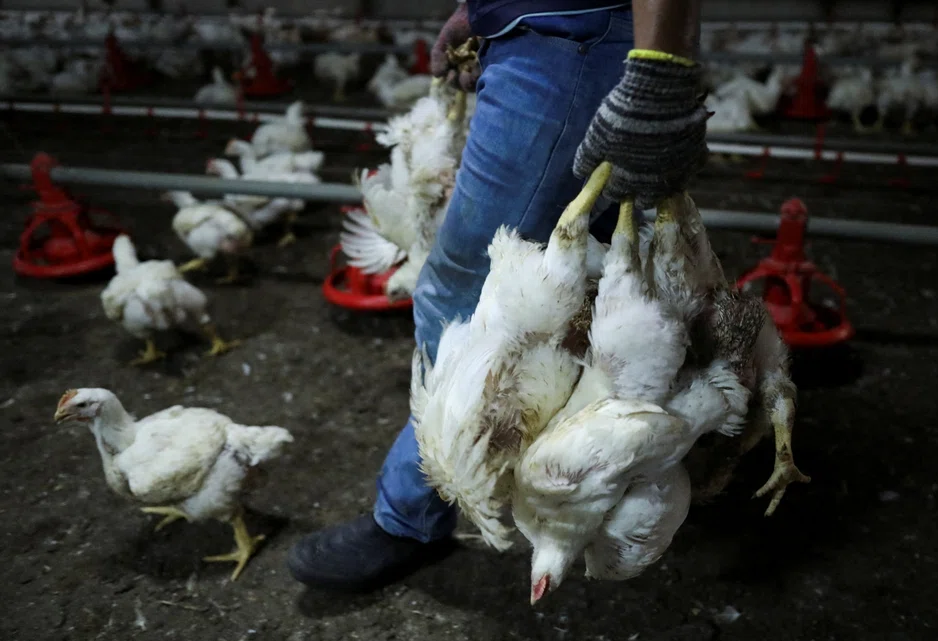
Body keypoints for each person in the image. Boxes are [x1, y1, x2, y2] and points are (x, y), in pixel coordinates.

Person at [288, 0, 707, 590]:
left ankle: (411, 516)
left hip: (568, 44)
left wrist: (659, 64)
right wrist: (482, 10)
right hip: (561, 33)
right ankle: (598, 474)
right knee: (602, 277)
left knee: (465, 292)